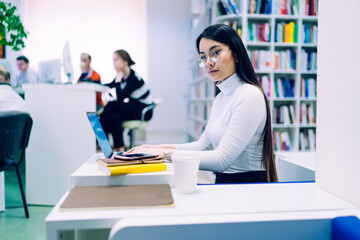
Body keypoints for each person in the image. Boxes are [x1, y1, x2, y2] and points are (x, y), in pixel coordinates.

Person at [127, 24, 278, 183]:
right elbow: (203, 146)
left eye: (215, 53)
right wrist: (154, 148)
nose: (208, 63)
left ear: (236, 54)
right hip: (226, 185)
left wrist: (161, 156)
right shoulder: (221, 98)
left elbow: (221, 160)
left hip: (247, 187)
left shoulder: (249, 95)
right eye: (203, 57)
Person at [100, 50, 153, 152]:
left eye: (116, 60)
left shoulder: (133, 77)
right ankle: (121, 149)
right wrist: (94, 83)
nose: (114, 63)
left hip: (144, 109)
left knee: (112, 105)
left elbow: (120, 96)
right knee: (115, 117)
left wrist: (118, 78)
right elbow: (110, 85)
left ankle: (102, 140)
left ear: (125, 61)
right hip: (134, 106)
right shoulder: (123, 75)